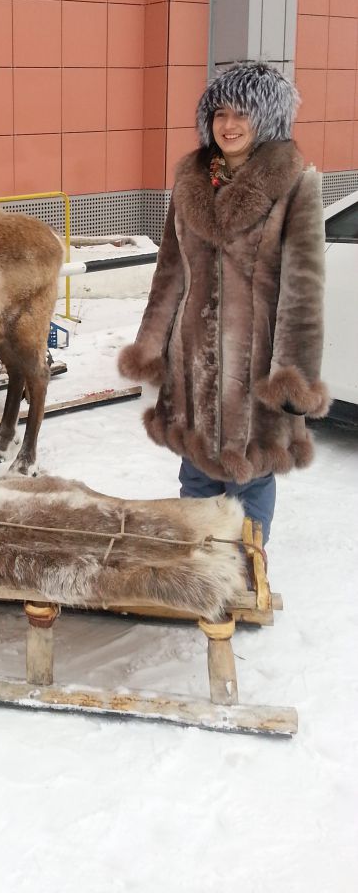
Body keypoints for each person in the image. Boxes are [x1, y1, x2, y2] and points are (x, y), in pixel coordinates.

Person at [118, 61, 329, 542]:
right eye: (220, 114)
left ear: (267, 119)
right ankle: (201, 561)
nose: (228, 125)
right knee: (195, 473)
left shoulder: (295, 185)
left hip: (255, 364)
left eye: (242, 114)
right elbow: (169, 273)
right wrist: (150, 346)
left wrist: (292, 375)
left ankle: (246, 568)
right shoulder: (190, 182)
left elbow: (303, 292)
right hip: (190, 360)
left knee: (249, 478)